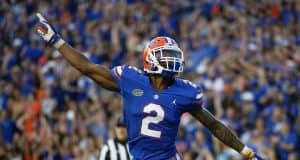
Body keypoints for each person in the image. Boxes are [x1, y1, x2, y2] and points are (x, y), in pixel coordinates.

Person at [35, 13, 264, 160]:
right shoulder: (131, 79)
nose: (172, 61)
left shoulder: (184, 91)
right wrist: (57, 41)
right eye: (166, 56)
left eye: (173, 56)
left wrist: (245, 151)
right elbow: (87, 67)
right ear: (150, 59)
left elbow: (213, 124)